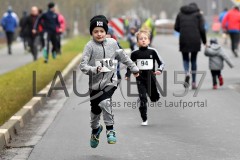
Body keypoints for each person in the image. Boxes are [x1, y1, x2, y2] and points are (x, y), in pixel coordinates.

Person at [79, 15, 139, 148]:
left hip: (110, 81)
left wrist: (133, 68)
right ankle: (95, 130)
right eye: (96, 31)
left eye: (102, 31)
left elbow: (123, 57)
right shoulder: (89, 46)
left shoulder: (112, 43)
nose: (99, 34)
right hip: (95, 84)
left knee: (105, 102)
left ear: (106, 32)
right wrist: (95, 69)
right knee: (95, 111)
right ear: (92, 33)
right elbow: (83, 66)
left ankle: (110, 129)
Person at [125, 29, 165, 126]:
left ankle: (154, 95)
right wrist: (128, 74)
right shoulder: (134, 53)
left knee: (154, 97)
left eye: (145, 38)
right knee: (143, 98)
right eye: (141, 39)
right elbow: (130, 65)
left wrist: (159, 70)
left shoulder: (153, 51)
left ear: (149, 40)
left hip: (151, 78)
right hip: (140, 79)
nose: (143, 40)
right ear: (137, 41)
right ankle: (144, 117)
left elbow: (161, 63)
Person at [174, 2, 207, 89]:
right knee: (193, 60)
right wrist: (204, 41)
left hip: (184, 39)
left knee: (185, 58)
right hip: (195, 39)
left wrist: (183, 30)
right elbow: (202, 29)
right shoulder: (198, 15)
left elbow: (176, 27)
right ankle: (193, 82)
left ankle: (186, 73)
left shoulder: (180, 14)